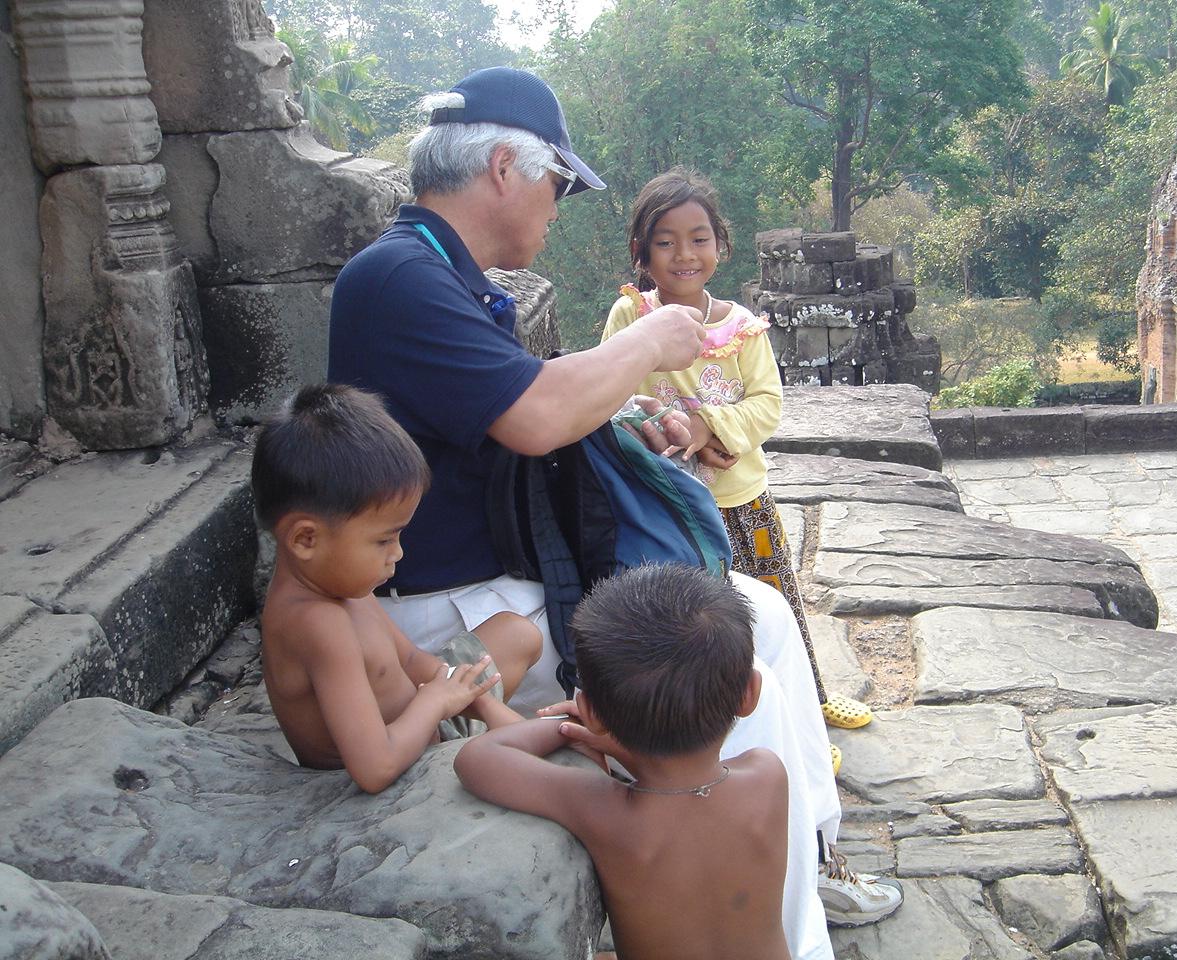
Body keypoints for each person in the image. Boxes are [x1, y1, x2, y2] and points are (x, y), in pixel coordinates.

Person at [327, 66, 892, 949]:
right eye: (557, 184)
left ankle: (812, 856)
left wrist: (627, 411)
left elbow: (523, 403)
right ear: (505, 169)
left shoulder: (443, 274)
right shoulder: (400, 278)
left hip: (509, 579)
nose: (558, 210)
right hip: (461, 605)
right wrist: (650, 342)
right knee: (738, 669)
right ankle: (787, 924)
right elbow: (533, 414)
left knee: (764, 614)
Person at [601, 168, 877, 760]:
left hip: (740, 499)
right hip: (667, 503)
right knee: (699, 625)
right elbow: (609, 391)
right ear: (641, 251)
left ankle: (807, 711)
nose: (684, 254)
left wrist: (709, 428)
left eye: (698, 238)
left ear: (720, 246)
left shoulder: (742, 328)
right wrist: (672, 432)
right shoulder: (630, 317)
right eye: (666, 241)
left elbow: (767, 404)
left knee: (778, 610)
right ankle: (725, 729)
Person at [456, 565, 791, 960]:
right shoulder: (767, 774)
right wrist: (614, 735)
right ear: (750, 693)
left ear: (591, 712)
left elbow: (478, 758)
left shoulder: (606, 812)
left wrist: (569, 727)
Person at [252, 383, 537, 793]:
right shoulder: (318, 624)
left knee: (517, 633)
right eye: (383, 540)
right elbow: (375, 768)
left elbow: (411, 659)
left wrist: (482, 704)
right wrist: (435, 702)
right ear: (306, 539)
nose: (398, 554)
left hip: (426, 723)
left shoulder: (341, 585)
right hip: (395, 776)